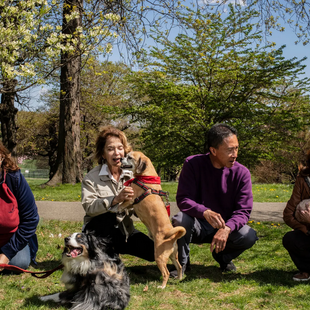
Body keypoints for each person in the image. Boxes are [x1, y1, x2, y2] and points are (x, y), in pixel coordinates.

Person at [171, 123, 258, 277]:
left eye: (236, 148)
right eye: (230, 150)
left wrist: (227, 228)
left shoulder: (242, 173)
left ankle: (223, 257)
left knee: (249, 235)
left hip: (225, 227)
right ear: (213, 150)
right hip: (198, 224)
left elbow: (243, 211)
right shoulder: (192, 164)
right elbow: (183, 199)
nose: (235, 154)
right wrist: (204, 211)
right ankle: (182, 263)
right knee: (180, 219)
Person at [81, 126, 154, 261]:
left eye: (120, 148)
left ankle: (114, 251)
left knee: (154, 252)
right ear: (103, 154)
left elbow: (139, 206)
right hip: (99, 231)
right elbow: (89, 207)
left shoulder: (133, 175)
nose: (117, 153)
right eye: (110, 149)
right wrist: (115, 199)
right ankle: (101, 253)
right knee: (107, 218)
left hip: (125, 231)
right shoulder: (91, 177)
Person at [0, 141, 39, 273]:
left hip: (12, 238)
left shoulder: (14, 178)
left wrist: (5, 256)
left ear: (2, 157)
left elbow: (31, 219)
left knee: (19, 262)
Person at [283, 150, 310, 281]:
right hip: (308, 232)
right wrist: (304, 228)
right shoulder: (303, 179)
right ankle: (306, 270)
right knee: (290, 238)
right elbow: (288, 214)